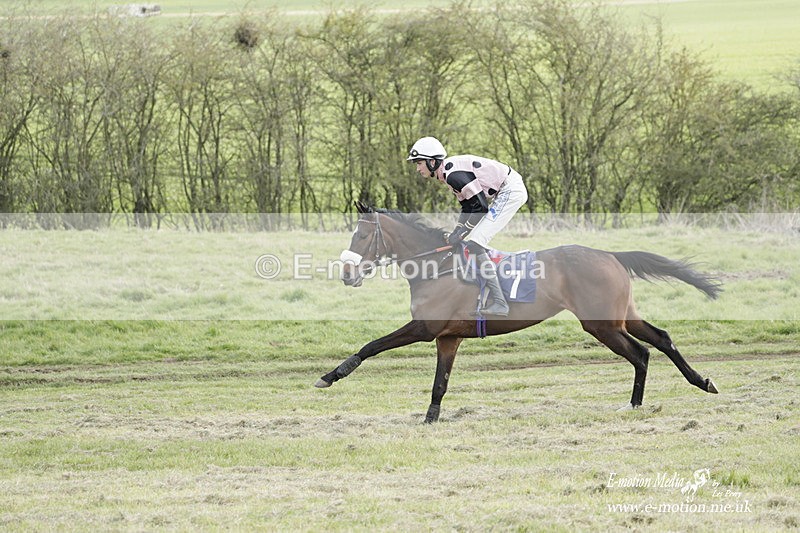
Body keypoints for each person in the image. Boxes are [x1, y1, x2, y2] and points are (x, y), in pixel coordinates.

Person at [407, 136, 528, 317]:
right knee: (472, 241)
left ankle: (500, 302)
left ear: (432, 162)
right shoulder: (448, 175)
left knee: (475, 243)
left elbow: (480, 207)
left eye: (419, 163)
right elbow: (468, 207)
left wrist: (461, 233)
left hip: (510, 191)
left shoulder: (454, 175)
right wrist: (457, 232)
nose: (417, 168)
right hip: (503, 191)